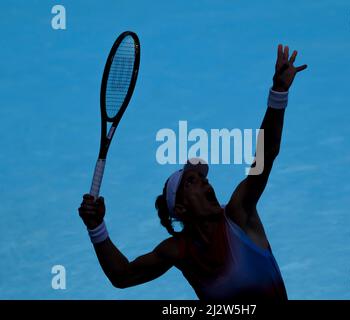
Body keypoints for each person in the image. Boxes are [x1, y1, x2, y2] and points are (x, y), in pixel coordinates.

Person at [79, 44, 307, 301]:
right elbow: (122, 276)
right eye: (192, 181)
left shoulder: (238, 215)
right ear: (181, 209)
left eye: (203, 179)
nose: (205, 183)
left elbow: (265, 157)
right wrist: (96, 227)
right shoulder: (179, 251)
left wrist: (279, 93)